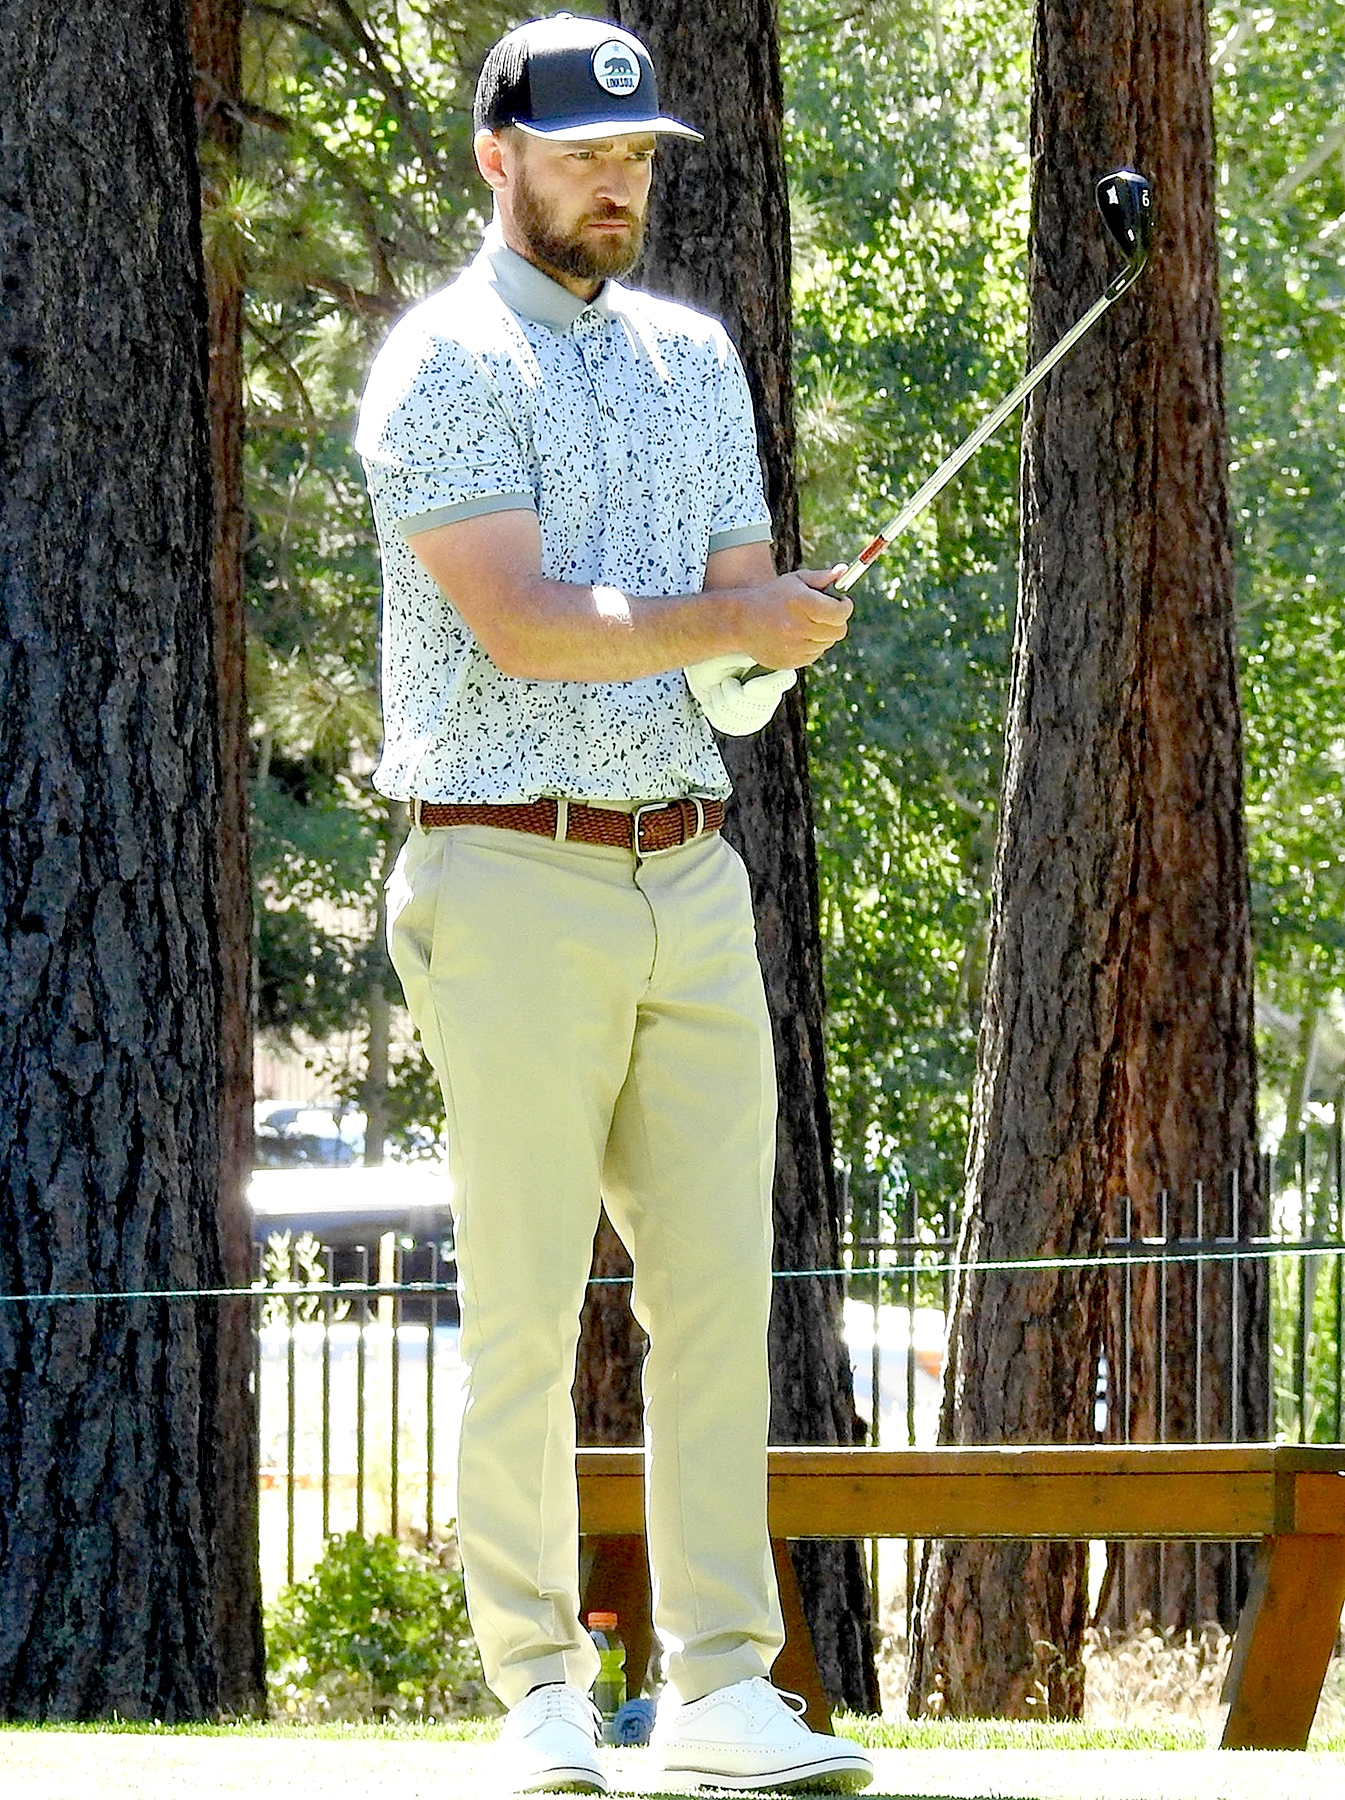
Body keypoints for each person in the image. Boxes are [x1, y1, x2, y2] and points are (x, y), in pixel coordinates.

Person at [356, 14, 872, 1794]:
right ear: (498, 158)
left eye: (639, 157)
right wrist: (731, 625)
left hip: (687, 868)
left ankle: (722, 1682)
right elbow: (517, 623)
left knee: (719, 1295)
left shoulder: (689, 357)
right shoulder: (441, 363)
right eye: (585, 155)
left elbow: (728, 609)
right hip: (501, 864)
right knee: (517, 1296)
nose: (618, 185)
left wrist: (776, 632)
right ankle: (537, 1693)